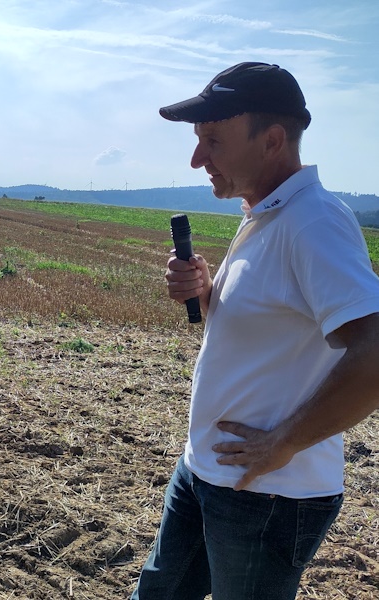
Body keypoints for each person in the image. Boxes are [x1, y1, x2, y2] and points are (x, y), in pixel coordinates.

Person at [133, 62, 379, 599]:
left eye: (213, 141)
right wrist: (205, 291)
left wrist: (284, 442)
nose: (197, 159)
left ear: (271, 141)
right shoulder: (268, 213)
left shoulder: (313, 222)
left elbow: (375, 350)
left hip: (266, 496)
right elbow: (275, 322)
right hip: (206, 473)